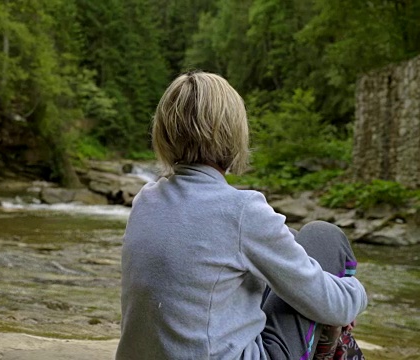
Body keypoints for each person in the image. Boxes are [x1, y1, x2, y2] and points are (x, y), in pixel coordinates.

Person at [116, 71, 368, 360]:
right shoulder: (241, 211)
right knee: (323, 236)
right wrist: (358, 293)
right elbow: (332, 303)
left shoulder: (145, 200)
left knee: (293, 245)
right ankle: (335, 343)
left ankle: (332, 341)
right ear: (234, 131)